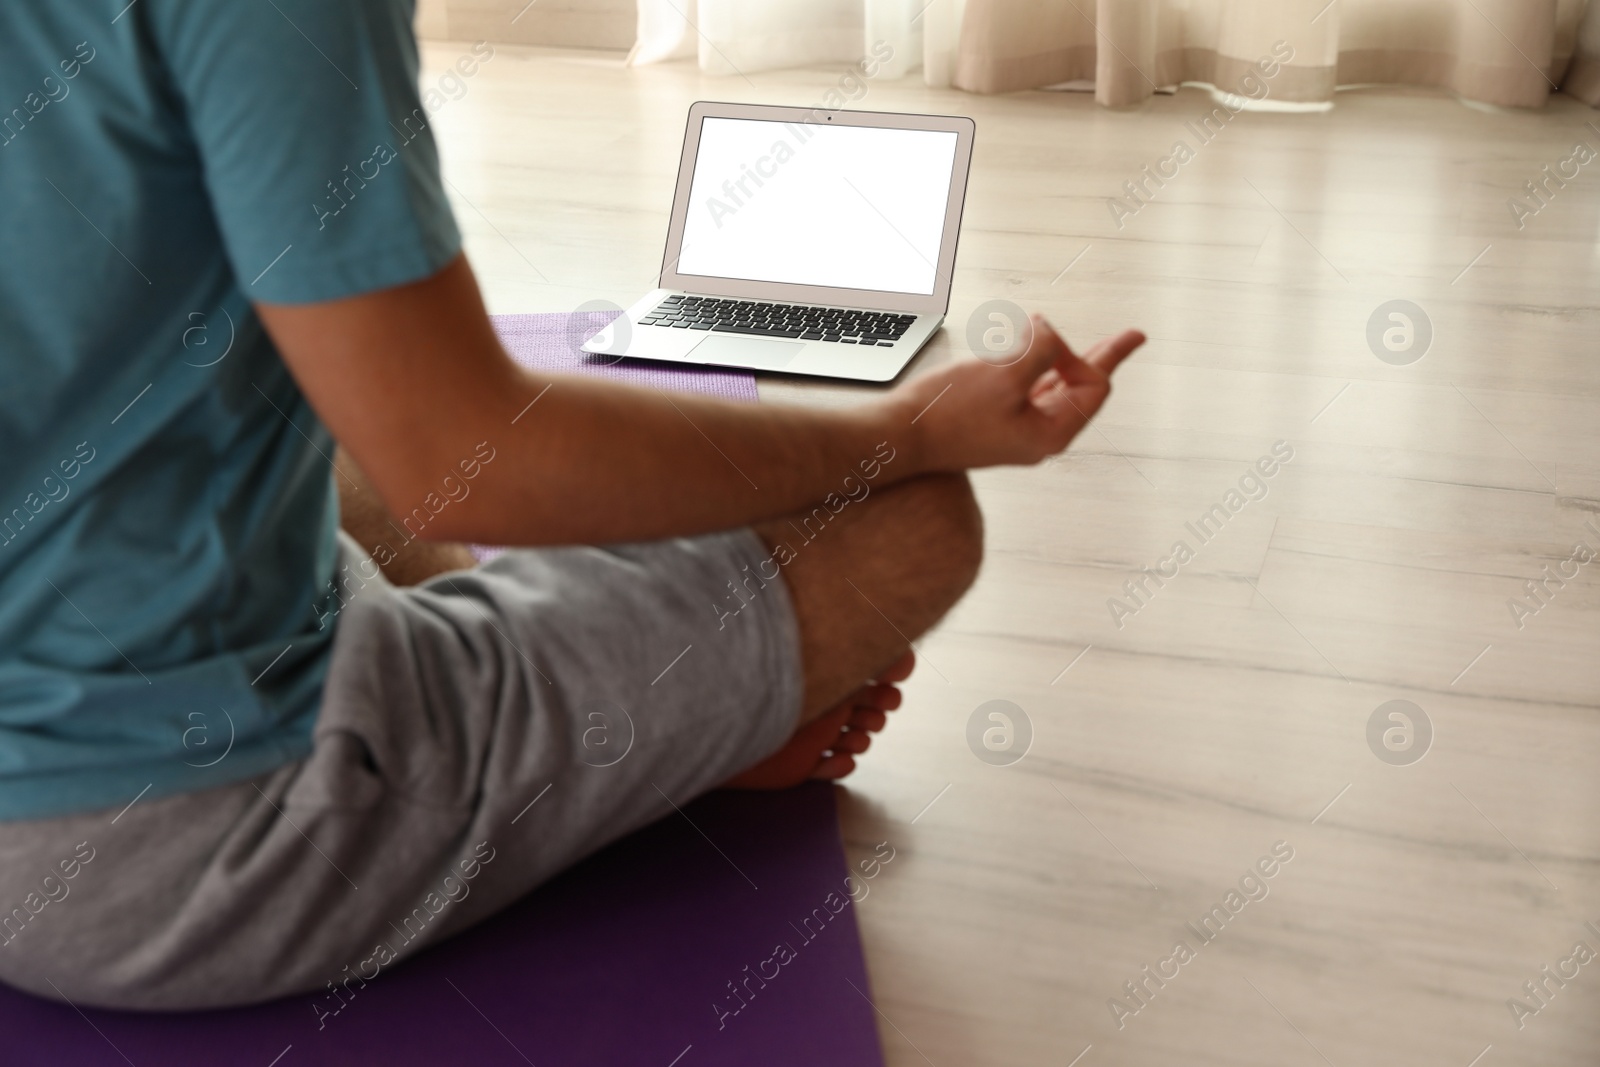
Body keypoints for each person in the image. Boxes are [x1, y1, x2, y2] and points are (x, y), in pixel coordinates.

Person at [0, 0, 1143, 1011]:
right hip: (162, 847)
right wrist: (904, 432)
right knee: (908, 520)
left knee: (324, 396)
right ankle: (653, 736)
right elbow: (464, 459)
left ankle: (601, 687)